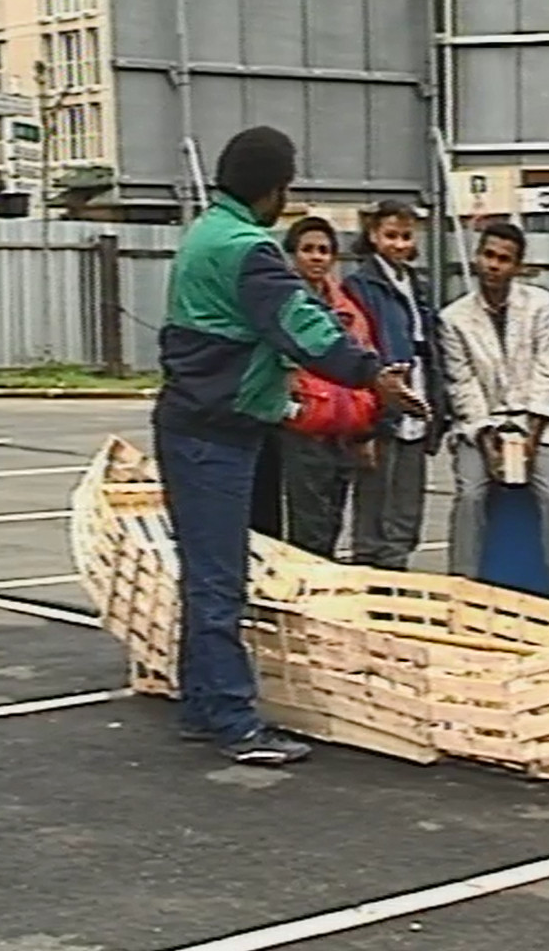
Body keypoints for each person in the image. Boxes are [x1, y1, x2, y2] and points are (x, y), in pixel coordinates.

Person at [153, 126, 421, 765]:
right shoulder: (248, 250)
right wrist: (371, 376)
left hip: (196, 424)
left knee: (206, 573)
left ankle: (203, 707)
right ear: (274, 189)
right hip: (214, 433)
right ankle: (234, 722)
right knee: (221, 580)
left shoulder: (206, 232)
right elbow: (303, 328)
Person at [441, 222, 549, 599]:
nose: (493, 265)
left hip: (537, 420)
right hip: (481, 424)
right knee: (470, 494)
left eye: (504, 259)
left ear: (517, 266)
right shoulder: (454, 318)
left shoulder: (540, 305)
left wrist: (531, 436)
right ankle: (462, 592)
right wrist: (488, 442)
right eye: (488, 255)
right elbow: (462, 384)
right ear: (476, 256)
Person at [345, 201, 448, 571]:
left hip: (417, 399)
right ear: (373, 236)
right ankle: (370, 575)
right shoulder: (360, 286)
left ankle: (397, 570)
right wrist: (365, 424)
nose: (399, 244)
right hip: (381, 406)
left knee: (407, 504)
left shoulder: (416, 285)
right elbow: (358, 349)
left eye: (406, 236)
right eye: (391, 236)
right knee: (373, 503)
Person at [276, 215, 379, 558]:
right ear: (293, 255)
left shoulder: (347, 308)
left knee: (333, 520)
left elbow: (364, 359)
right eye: (308, 249)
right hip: (303, 427)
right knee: (309, 525)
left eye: (324, 250)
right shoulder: (283, 301)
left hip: (343, 427)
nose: (316, 257)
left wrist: (364, 431)